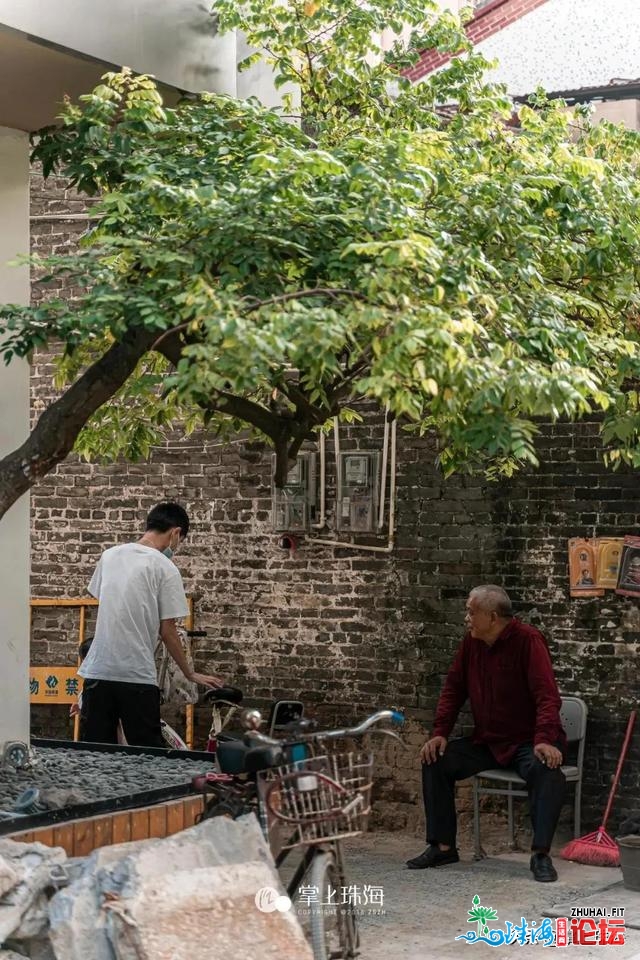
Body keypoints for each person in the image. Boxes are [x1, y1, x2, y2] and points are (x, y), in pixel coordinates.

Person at [407, 585, 566, 883]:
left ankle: (541, 855)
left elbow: (547, 695)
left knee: (548, 770)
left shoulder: (528, 641)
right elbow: (453, 689)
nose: (466, 618)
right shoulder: (472, 643)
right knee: (436, 759)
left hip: (528, 741)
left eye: (471, 612)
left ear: (492, 617)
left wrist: (544, 739)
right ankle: (442, 847)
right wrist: (440, 732)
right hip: (489, 741)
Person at [79, 501, 222, 747]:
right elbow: (167, 631)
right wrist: (189, 673)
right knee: (146, 757)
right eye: (180, 539)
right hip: (136, 676)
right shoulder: (165, 568)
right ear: (175, 532)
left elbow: (107, 602)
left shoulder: (109, 555)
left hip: (97, 673)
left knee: (96, 756)